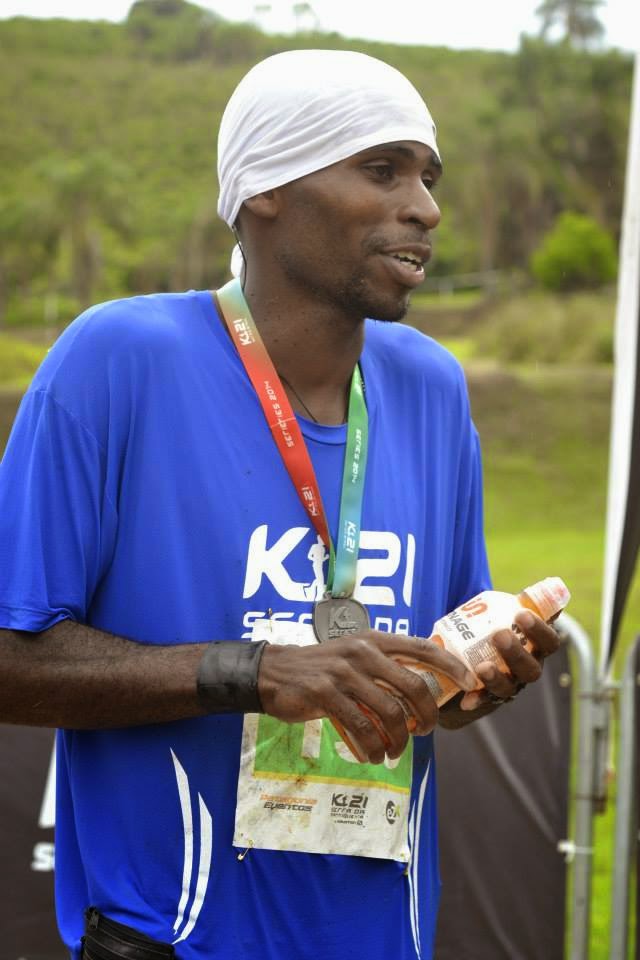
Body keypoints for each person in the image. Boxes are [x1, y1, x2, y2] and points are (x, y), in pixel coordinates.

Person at [0, 49, 559, 960]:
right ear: (265, 186)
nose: (424, 207)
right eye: (382, 169)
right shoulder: (120, 361)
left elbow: (432, 683)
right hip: (171, 942)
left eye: (428, 176)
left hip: (384, 939)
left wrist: (474, 676)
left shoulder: (431, 388)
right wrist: (257, 673)